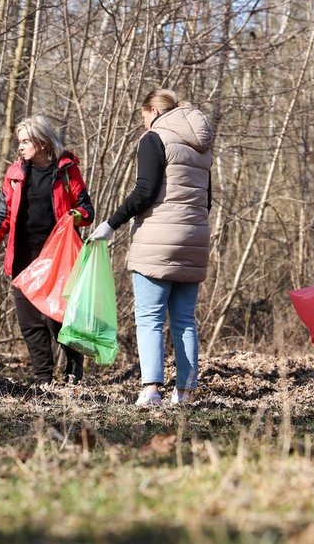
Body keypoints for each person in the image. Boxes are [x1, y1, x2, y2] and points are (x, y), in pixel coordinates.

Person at [90, 89, 213, 407]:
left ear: (153, 111)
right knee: (184, 318)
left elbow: (144, 191)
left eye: (143, 115)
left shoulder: (154, 138)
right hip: (194, 238)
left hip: (158, 239)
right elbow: (206, 201)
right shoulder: (200, 148)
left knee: (149, 317)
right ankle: (185, 392)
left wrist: (111, 224)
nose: (143, 122)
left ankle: (151, 389)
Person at [0, 116, 95, 385]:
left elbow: (87, 212)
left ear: (42, 142)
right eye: (18, 142)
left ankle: (72, 372)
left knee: (57, 318)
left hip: (56, 259)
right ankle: (43, 379)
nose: (20, 147)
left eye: (25, 141)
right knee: (30, 322)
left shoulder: (67, 171)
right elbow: (2, 218)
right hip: (23, 256)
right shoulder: (15, 175)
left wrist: (74, 215)